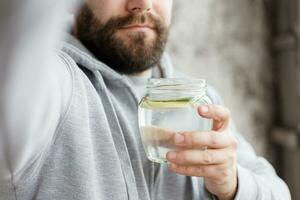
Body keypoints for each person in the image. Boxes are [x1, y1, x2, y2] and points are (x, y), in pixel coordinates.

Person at [0, 0, 291, 199]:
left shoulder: (197, 98)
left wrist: (232, 184)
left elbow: (279, 192)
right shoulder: (52, 83)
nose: (142, 3)